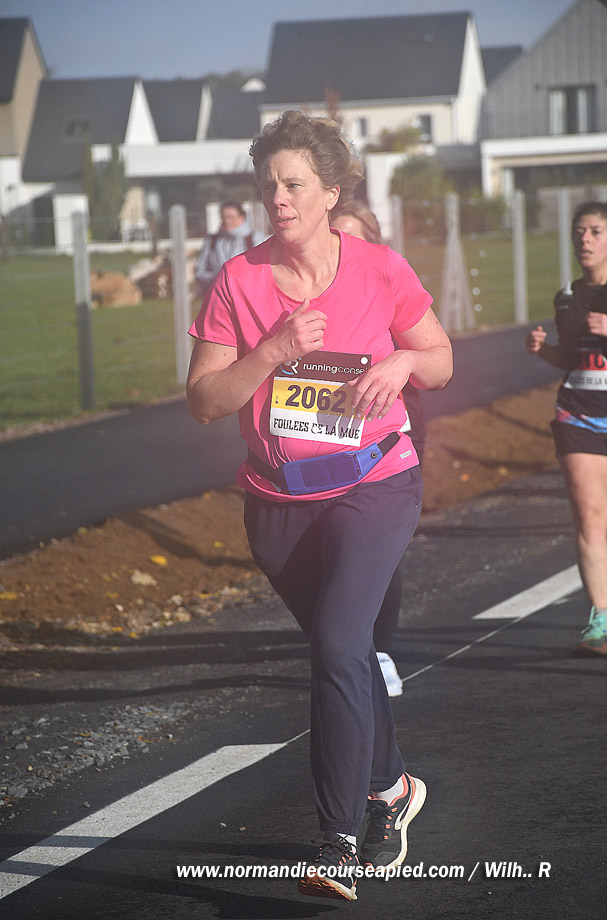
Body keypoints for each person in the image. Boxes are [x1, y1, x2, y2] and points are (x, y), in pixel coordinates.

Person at [186, 110, 453, 901]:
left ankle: (336, 840)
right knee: (346, 653)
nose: (277, 198)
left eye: (294, 184)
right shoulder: (237, 282)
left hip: (374, 483)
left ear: (330, 192)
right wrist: (272, 350)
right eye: (268, 184)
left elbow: (439, 359)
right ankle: (392, 788)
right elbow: (204, 401)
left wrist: (401, 362)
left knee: (337, 643)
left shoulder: (378, 268)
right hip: (277, 505)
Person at [331, 203, 426, 698]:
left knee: (374, 545)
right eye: (333, 236)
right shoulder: (306, 290)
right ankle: (345, 647)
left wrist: (403, 361)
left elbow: (434, 358)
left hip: (388, 433)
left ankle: (379, 650)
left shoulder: (388, 280)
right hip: (325, 434)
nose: (341, 247)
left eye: (352, 238)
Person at [526, 200, 607, 657]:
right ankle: (602, 619)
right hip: (579, 414)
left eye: (595, 231)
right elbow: (571, 358)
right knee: (591, 518)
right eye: (580, 231)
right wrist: (543, 351)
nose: (585, 239)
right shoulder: (567, 297)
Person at [194, 199, 267, 297]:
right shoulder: (212, 240)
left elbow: (263, 271)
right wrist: (218, 278)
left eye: (231, 217)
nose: (227, 221)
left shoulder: (254, 238)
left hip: (249, 297)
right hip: (218, 298)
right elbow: (199, 272)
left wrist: (236, 280)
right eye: (224, 217)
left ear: (242, 217)